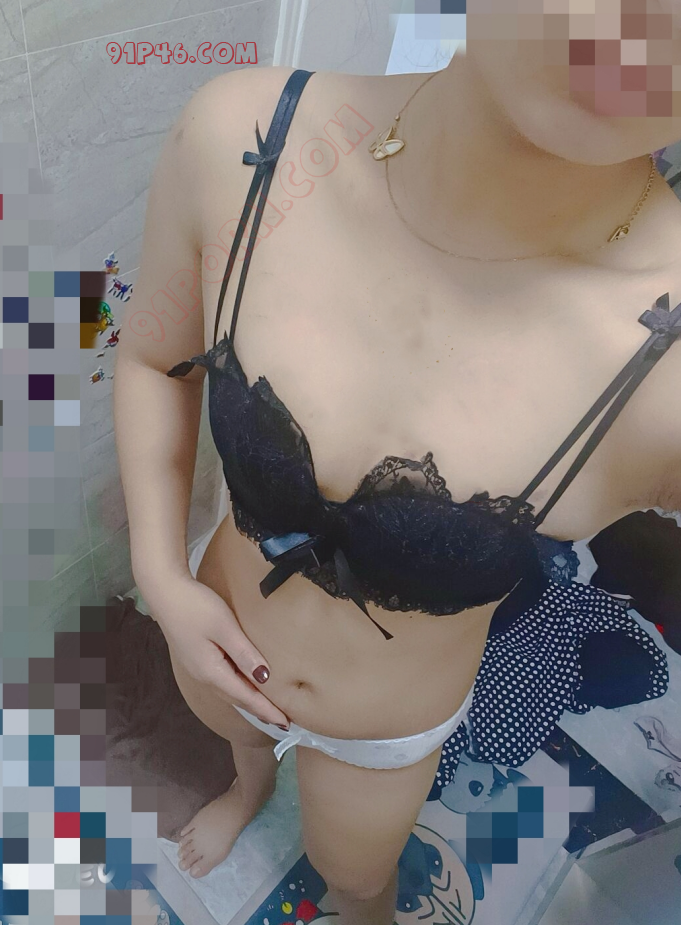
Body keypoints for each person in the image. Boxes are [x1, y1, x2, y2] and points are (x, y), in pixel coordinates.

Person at [114, 4, 681, 922]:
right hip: (211, 639)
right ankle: (249, 786)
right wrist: (160, 578)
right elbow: (151, 359)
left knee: (356, 881)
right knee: (240, 751)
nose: (647, 25)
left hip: (380, 736)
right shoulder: (245, 138)